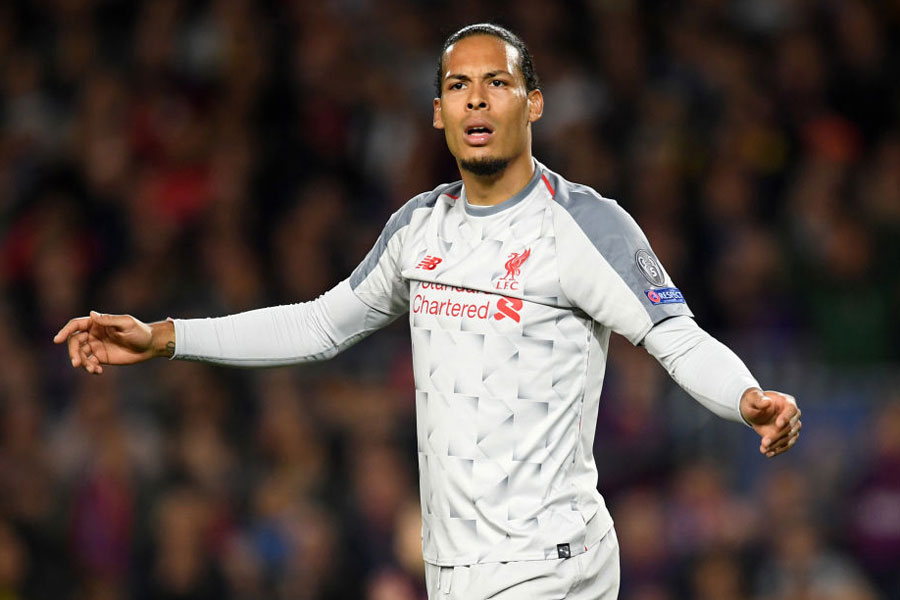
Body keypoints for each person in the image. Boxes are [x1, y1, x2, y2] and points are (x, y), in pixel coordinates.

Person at [55, 23, 802, 600]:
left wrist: (746, 398)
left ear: (533, 102)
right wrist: (164, 337)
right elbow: (320, 324)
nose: (476, 98)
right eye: (458, 85)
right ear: (439, 112)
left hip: (550, 569)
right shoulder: (420, 227)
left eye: (497, 83)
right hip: (451, 571)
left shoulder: (582, 226)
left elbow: (676, 337)